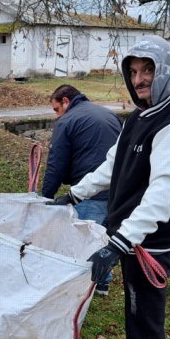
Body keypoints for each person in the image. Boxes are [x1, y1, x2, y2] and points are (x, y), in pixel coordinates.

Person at [48, 35, 170, 339]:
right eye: (133, 72)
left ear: (165, 69)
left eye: (148, 70)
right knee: (135, 320)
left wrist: (121, 242)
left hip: (148, 245)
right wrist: (75, 194)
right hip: (128, 239)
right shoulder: (141, 115)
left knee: (146, 329)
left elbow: (163, 195)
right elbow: (111, 166)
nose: (139, 80)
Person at [44, 84, 121, 295]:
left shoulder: (67, 121)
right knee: (106, 236)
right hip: (117, 191)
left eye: (56, 109)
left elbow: (56, 163)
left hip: (91, 191)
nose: (57, 115)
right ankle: (102, 282)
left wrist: (45, 197)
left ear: (66, 102)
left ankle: (83, 286)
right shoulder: (109, 114)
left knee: (85, 238)